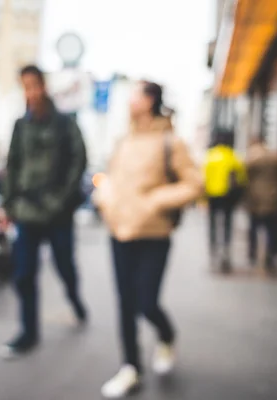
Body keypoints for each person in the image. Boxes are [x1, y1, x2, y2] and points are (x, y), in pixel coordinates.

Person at [93, 81, 202, 398]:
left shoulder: (171, 141)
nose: (130, 100)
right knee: (125, 304)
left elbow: (194, 184)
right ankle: (131, 367)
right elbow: (110, 179)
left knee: (146, 302)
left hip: (154, 234)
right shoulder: (124, 140)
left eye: (136, 94)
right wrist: (105, 201)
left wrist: (155, 201)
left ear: (150, 100)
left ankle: (167, 335)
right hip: (120, 232)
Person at [0, 65, 88, 359]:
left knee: (64, 267)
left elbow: (78, 161)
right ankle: (28, 332)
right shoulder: (20, 126)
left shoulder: (64, 123)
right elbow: (13, 166)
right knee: (24, 274)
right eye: (25, 86)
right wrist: (8, 205)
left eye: (34, 85)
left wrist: (61, 199)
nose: (31, 92)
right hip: (27, 212)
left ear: (44, 86)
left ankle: (75, 300)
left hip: (58, 213)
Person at [202, 129, 246, 269]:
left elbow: (202, 178)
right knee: (227, 221)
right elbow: (242, 177)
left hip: (211, 195)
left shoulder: (210, 156)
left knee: (213, 221)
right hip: (227, 195)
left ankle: (213, 245)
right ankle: (225, 246)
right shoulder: (232, 156)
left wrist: (202, 198)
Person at [244, 136, 277, 269]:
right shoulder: (274, 157)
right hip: (272, 196)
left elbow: (245, 175)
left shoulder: (253, 157)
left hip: (256, 197)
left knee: (254, 226)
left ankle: (253, 253)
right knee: (270, 228)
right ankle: (270, 253)